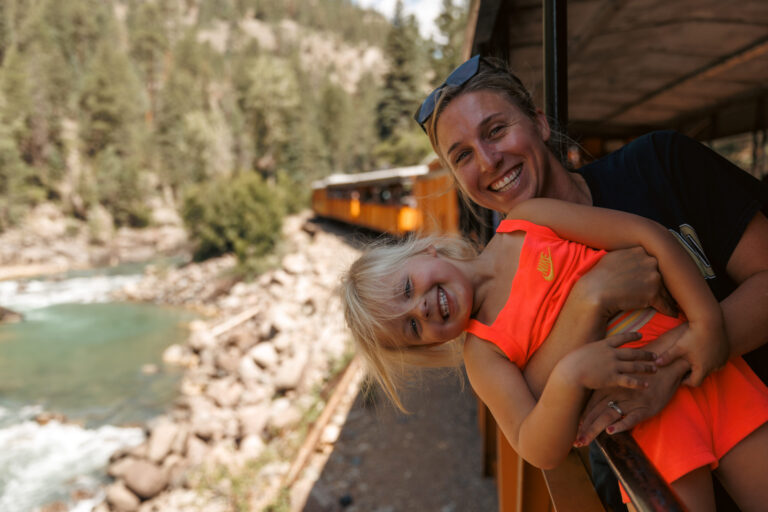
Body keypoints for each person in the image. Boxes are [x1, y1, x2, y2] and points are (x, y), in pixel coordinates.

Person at [414, 54, 768, 509]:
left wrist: (672, 369)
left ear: (540, 123)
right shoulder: (492, 313)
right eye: (462, 155)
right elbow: (539, 422)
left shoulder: (661, 163)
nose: (488, 160)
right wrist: (589, 297)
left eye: (496, 130)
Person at [341, 197, 768, 510]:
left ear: (425, 250)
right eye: (413, 328)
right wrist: (569, 376)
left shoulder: (529, 221)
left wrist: (706, 322)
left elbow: (646, 235)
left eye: (406, 288)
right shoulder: (483, 355)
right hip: (646, 422)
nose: (422, 307)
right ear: (429, 345)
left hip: (703, 367)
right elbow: (535, 446)